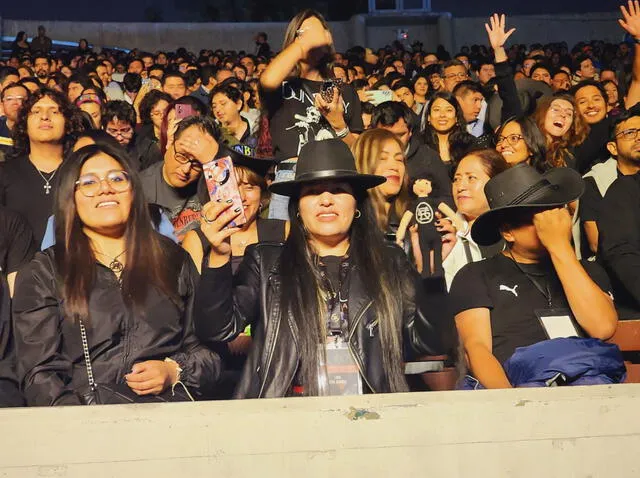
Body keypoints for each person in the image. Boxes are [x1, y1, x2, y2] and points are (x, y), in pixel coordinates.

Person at [194, 139, 442, 398]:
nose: (326, 200)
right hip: (286, 416)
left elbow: (429, 342)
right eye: (313, 191)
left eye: (337, 190)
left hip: (369, 415)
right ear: (298, 207)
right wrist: (220, 255)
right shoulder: (266, 261)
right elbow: (216, 328)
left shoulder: (389, 261)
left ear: (357, 204)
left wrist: (433, 277)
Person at [12, 143, 221, 406]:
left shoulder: (172, 260)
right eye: (88, 182)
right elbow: (38, 373)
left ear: (133, 190)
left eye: (117, 178)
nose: (105, 188)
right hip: (84, 423)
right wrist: (83, 424)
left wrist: (174, 370)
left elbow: (208, 353)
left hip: (167, 419)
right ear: (71, 197)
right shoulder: (46, 270)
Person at [449, 163, 617, 389]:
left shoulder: (587, 271)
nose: (552, 223)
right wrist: (517, 406)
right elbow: (477, 349)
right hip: (517, 389)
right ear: (508, 231)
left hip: (585, 387)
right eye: (537, 217)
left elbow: (603, 327)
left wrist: (560, 249)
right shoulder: (476, 275)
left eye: (555, 211)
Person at [260, 10, 364, 220]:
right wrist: (302, 44)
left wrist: (337, 123)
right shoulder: (281, 86)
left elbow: (359, 149)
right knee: (284, 249)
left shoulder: (343, 91)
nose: (314, 38)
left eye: (320, 31)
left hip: (335, 178)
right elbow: (267, 80)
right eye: (306, 32)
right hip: (291, 176)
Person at [0, 88, 83, 244]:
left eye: (55, 112)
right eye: (36, 112)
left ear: (68, 122)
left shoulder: (81, 171)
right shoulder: (5, 172)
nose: (45, 117)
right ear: (24, 123)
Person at [141, 116, 219, 241]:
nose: (186, 169)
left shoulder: (211, 179)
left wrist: (215, 164)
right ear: (169, 143)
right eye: (182, 156)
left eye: (197, 163)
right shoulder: (140, 188)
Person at [442, 149, 510, 288]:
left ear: (496, 183)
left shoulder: (514, 233)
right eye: (456, 179)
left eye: (471, 178)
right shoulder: (443, 233)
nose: (460, 186)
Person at [351, 129, 409, 237]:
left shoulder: (413, 218)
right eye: (382, 158)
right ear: (363, 163)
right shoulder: (349, 223)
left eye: (399, 159)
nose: (394, 166)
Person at [102, 101, 162, 171]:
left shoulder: (148, 150)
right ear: (103, 129)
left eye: (125, 131)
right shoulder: (97, 148)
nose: (119, 138)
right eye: (113, 131)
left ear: (133, 128)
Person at [210, 83, 256, 150]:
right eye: (214, 106)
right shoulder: (211, 133)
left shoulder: (255, 129)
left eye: (223, 104)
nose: (217, 110)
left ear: (238, 104)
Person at [0, 83, 29, 158]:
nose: (15, 103)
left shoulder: (34, 130)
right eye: (9, 99)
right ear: (2, 104)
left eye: (20, 99)